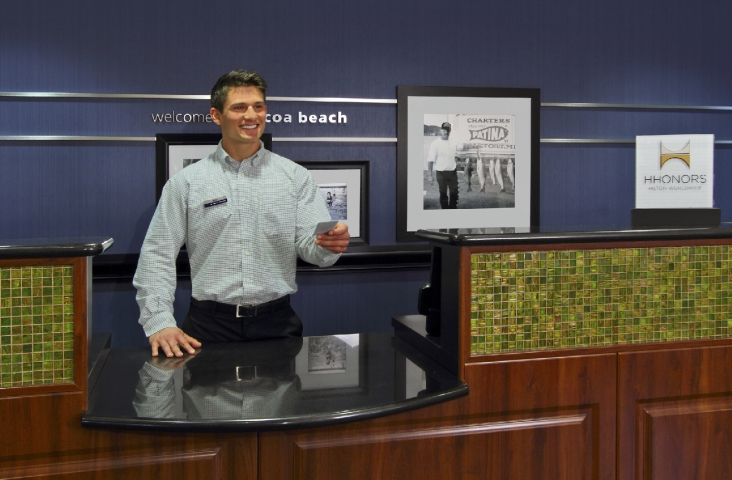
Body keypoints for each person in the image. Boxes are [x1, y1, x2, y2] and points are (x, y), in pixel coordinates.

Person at [133, 69, 350, 358]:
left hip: (277, 326)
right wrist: (158, 321)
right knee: (205, 405)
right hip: (207, 328)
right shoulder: (186, 183)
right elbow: (157, 254)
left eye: (258, 106)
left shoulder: (295, 177)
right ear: (216, 115)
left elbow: (312, 250)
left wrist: (328, 245)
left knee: (281, 405)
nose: (252, 115)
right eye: (239, 107)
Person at [427, 122, 458, 209]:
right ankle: (444, 210)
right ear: (441, 130)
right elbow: (430, 160)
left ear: (450, 131)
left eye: (448, 130)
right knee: (443, 193)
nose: (446, 132)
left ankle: (452, 209)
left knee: (454, 193)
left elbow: (457, 153)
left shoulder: (454, 142)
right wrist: (430, 175)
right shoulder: (435, 143)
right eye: (444, 130)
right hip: (441, 173)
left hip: (452, 172)